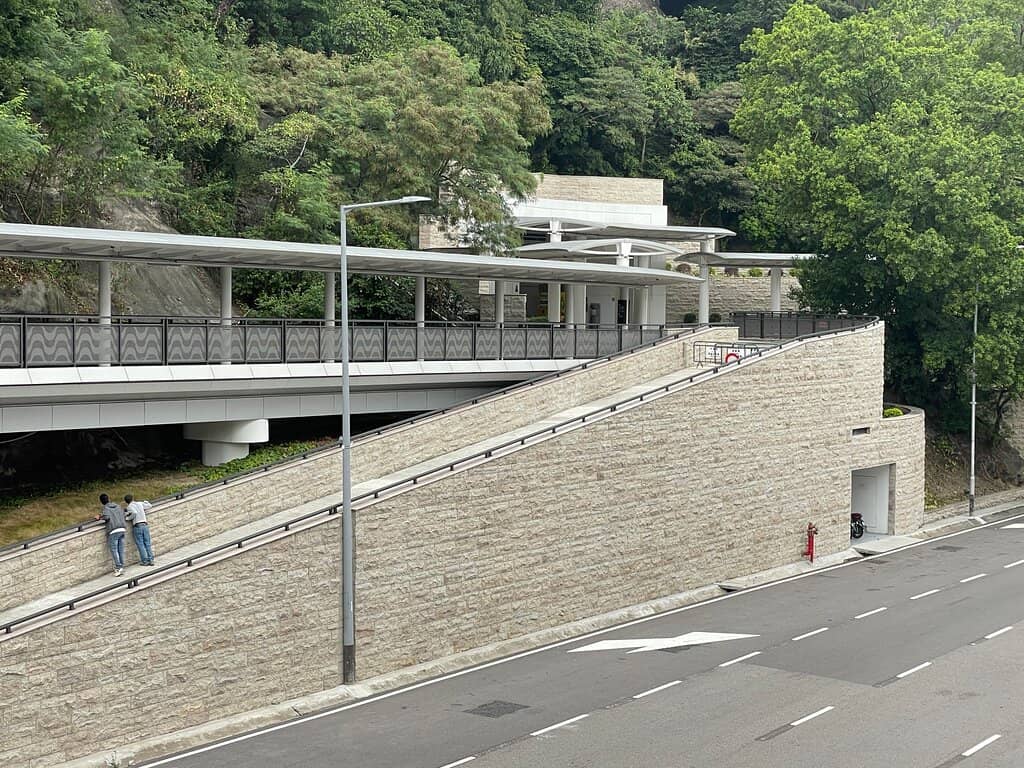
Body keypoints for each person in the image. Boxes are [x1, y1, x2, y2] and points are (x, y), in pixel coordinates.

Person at [95, 493, 127, 576]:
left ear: (101, 501)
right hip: (122, 529)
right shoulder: (118, 506)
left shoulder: (106, 508)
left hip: (113, 531)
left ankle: (118, 567)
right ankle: (122, 566)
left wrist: (99, 517)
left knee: (114, 550)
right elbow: (124, 514)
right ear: (109, 499)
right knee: (121, 549)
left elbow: (107, 517)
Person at [124, 494, 155, 566]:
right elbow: (149, 505)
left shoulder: (129, 506)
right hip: (145, 525)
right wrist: (145, 501)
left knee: (141, 544)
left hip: (137, 526)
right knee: (147, 543)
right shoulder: (139, 503)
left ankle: (145, 561)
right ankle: (151, 560)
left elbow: (134, 513)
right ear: (132, 498)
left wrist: (128, 518)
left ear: (126, 502)